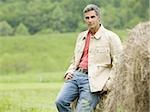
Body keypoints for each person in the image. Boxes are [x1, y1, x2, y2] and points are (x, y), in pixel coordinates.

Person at [55, 4, 122, 112]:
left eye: (92, 17)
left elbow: (119, 63)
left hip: (93, 80)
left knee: (83, 110)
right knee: (60, 102)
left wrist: (109, 83)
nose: (90, 20)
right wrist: (70, 71)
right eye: (87, 18)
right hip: (76, 76)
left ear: (99, 18)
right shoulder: (81, 36)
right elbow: (75, 59)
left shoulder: (111, 37)